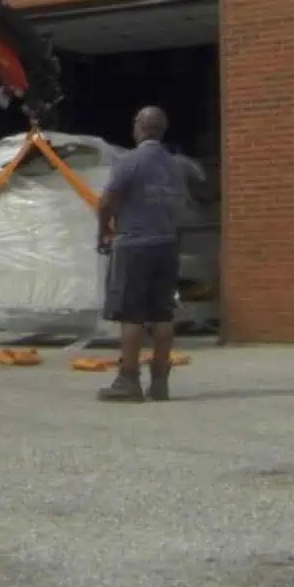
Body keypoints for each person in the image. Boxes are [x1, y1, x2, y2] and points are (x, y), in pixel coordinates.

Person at [94, 105, 191, 402]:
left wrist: (104, 230)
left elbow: (106, 202)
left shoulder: (128, 161)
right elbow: (181, 206)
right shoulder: (176, 166)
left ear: (139, 126)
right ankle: (160, 382)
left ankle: (129, 380)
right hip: (166, 244)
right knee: (163, 314)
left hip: (135, 244)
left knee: (131, 315)